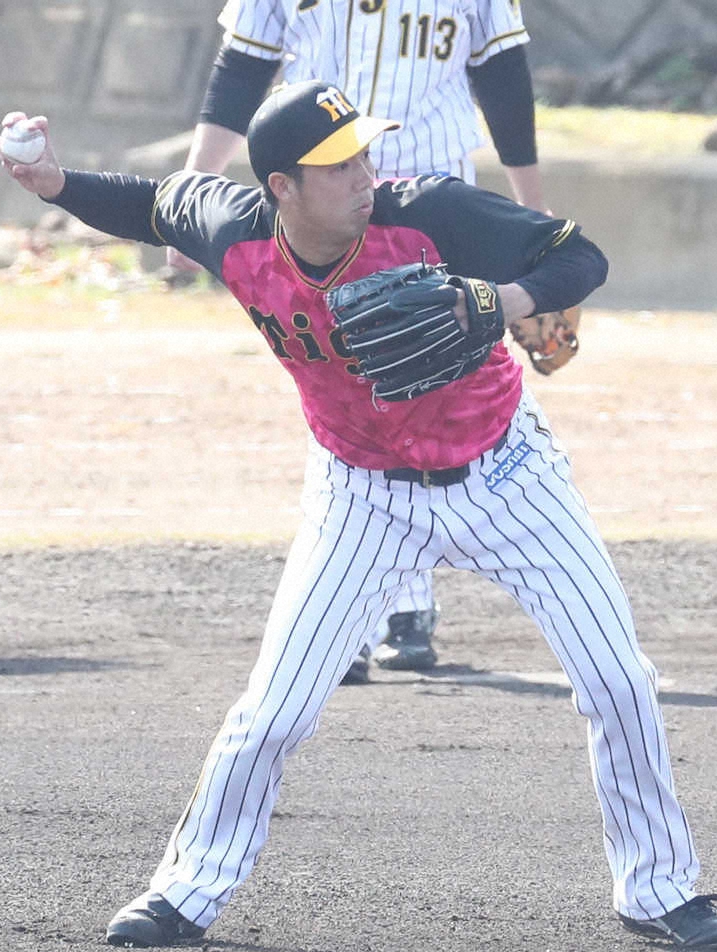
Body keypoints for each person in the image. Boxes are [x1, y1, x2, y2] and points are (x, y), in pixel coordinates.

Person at [0, 80, 717, 952]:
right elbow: (150, 205)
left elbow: (580, 257)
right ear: (281, 187)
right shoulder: (237, 231)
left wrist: (498, 301)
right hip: (360, 494)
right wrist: (51, 180)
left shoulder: (428, 210)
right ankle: (187, 889)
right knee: (274, 709)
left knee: (619, 682)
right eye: (337, 164)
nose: (364, 173)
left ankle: (658, 889)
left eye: (362, 153)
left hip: (508, 475)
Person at [172, 0, 550, 683]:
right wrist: (194, 188)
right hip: (313, 206)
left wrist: (529, 214)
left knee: (429, 387)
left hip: (429, 204)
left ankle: (405, 605)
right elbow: (244, 64)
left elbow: (502, 72)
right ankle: (351, 613)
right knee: (342, 396)